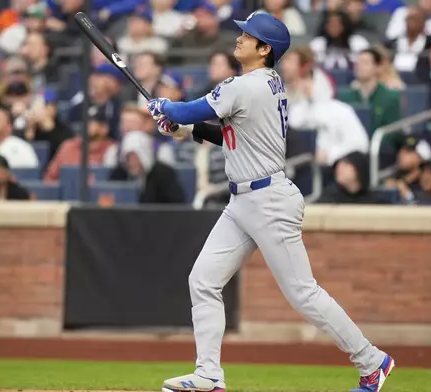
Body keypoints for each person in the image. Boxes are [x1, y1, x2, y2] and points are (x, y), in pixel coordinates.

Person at [145, 10, 394, 392]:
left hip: (268, 200)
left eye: (249, 36)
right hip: (244, 201)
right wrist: (186, 128)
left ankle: (372, 361)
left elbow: (189, 108)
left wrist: (166, 109)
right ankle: (208, 373)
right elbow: (229, 136)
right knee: (204, 280)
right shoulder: (266, 83)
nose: (240, 39)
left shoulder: (246, 85)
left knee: (303, 293)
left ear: (265, 49)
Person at [109, 130, 186, 204]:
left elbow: (177, 206)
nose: (132, 163)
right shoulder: (118, 174)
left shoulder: (164, 174)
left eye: (136, 158)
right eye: (129, 158)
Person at [316, 151, 382, 204]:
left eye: (346, 165)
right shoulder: (328, 198)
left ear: (359, 169)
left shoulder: (374, 201)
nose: (339, 168)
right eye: (339, 164)